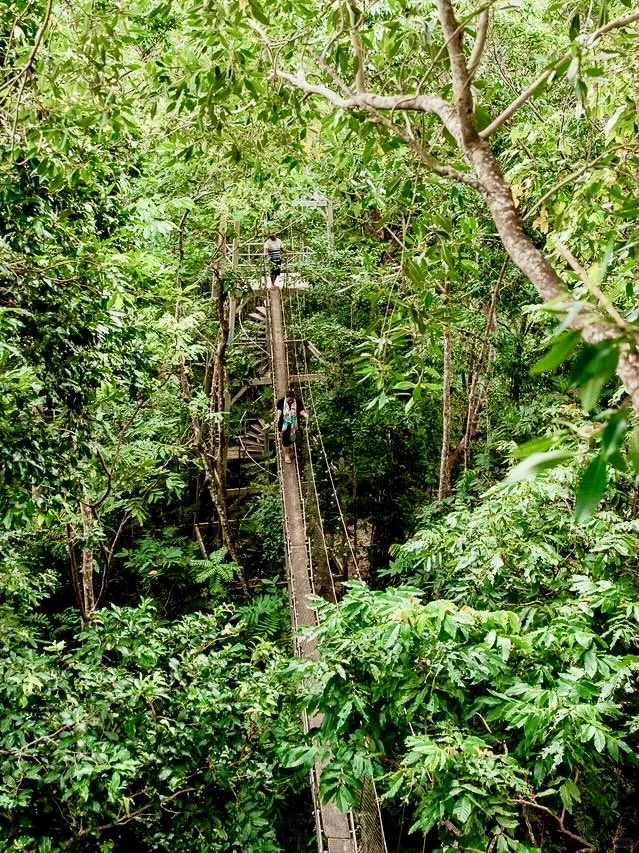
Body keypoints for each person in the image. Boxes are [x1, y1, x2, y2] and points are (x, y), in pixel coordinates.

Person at [275, 388, 308, 463]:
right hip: (284, 424)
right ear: (286, 398)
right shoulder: (281, 402)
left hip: (294, 423)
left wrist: (305, 414)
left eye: (292, 400)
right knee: (286, 440)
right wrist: (278, 416)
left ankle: (290, 444)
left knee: (292, 438)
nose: (290, 401)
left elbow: (301, 410)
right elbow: (279, 411)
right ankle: (286, 455)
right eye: (289, 400)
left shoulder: (298, 401)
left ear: (294, 398)